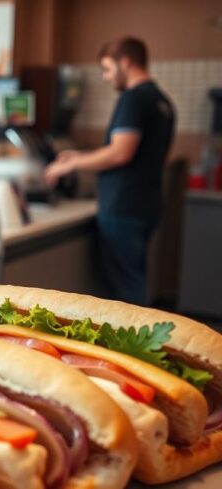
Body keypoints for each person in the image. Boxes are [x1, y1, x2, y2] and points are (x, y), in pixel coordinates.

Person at [44, 37, 175, 305]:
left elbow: (120, 152)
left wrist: (70, 164)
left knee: (127, 292)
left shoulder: (133, 99)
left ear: (125, 62)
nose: (105, 77)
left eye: (107, 68)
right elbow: (146, 155)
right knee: (133, 279)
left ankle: (138, 346)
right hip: (148, 204)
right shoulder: (162, 102)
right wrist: (81, 155)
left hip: (123, 207)